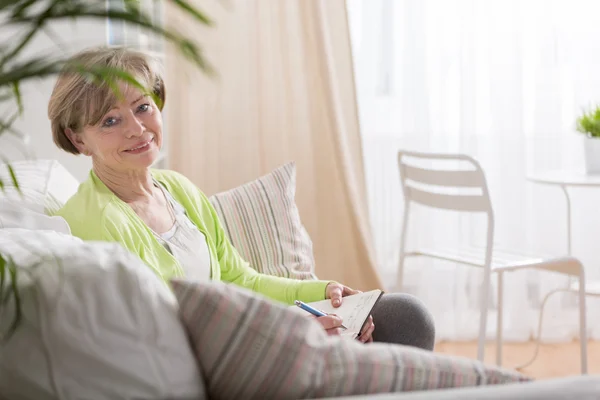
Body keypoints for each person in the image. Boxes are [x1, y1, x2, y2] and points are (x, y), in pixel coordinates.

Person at [49, 46, 435, 349]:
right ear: (77, 138)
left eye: (143, 107)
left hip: (245, 338)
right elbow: (168, 330)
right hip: (204, 364)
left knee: (402, 315)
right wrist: (288, 332)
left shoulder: (176, 188)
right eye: (110, 121)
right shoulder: (93, 220)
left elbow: (239, 279)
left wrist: (323, 293)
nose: (138, 129)